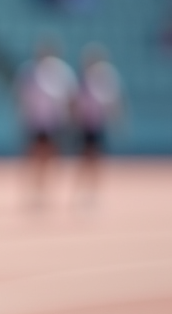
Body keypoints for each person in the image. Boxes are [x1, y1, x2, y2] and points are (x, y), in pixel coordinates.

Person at [15, 38, 77, 211]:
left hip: (55, 122)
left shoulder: (62, 71)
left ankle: (46, 191)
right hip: (36, 122)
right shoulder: (30, 71)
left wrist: (71, 118)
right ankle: (35, 190)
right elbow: (22, 97)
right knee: (35, 156)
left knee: (51, 157)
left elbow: (70, 97)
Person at [72, 43, 123, 208]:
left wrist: (116, 119)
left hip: (97, 123)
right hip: (86, 124)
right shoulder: (83, 78)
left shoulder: (104, 76)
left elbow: (113, 100)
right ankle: (81, 191)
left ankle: (92, 191)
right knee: (86, 158)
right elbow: (75, 103)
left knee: (95, 158)